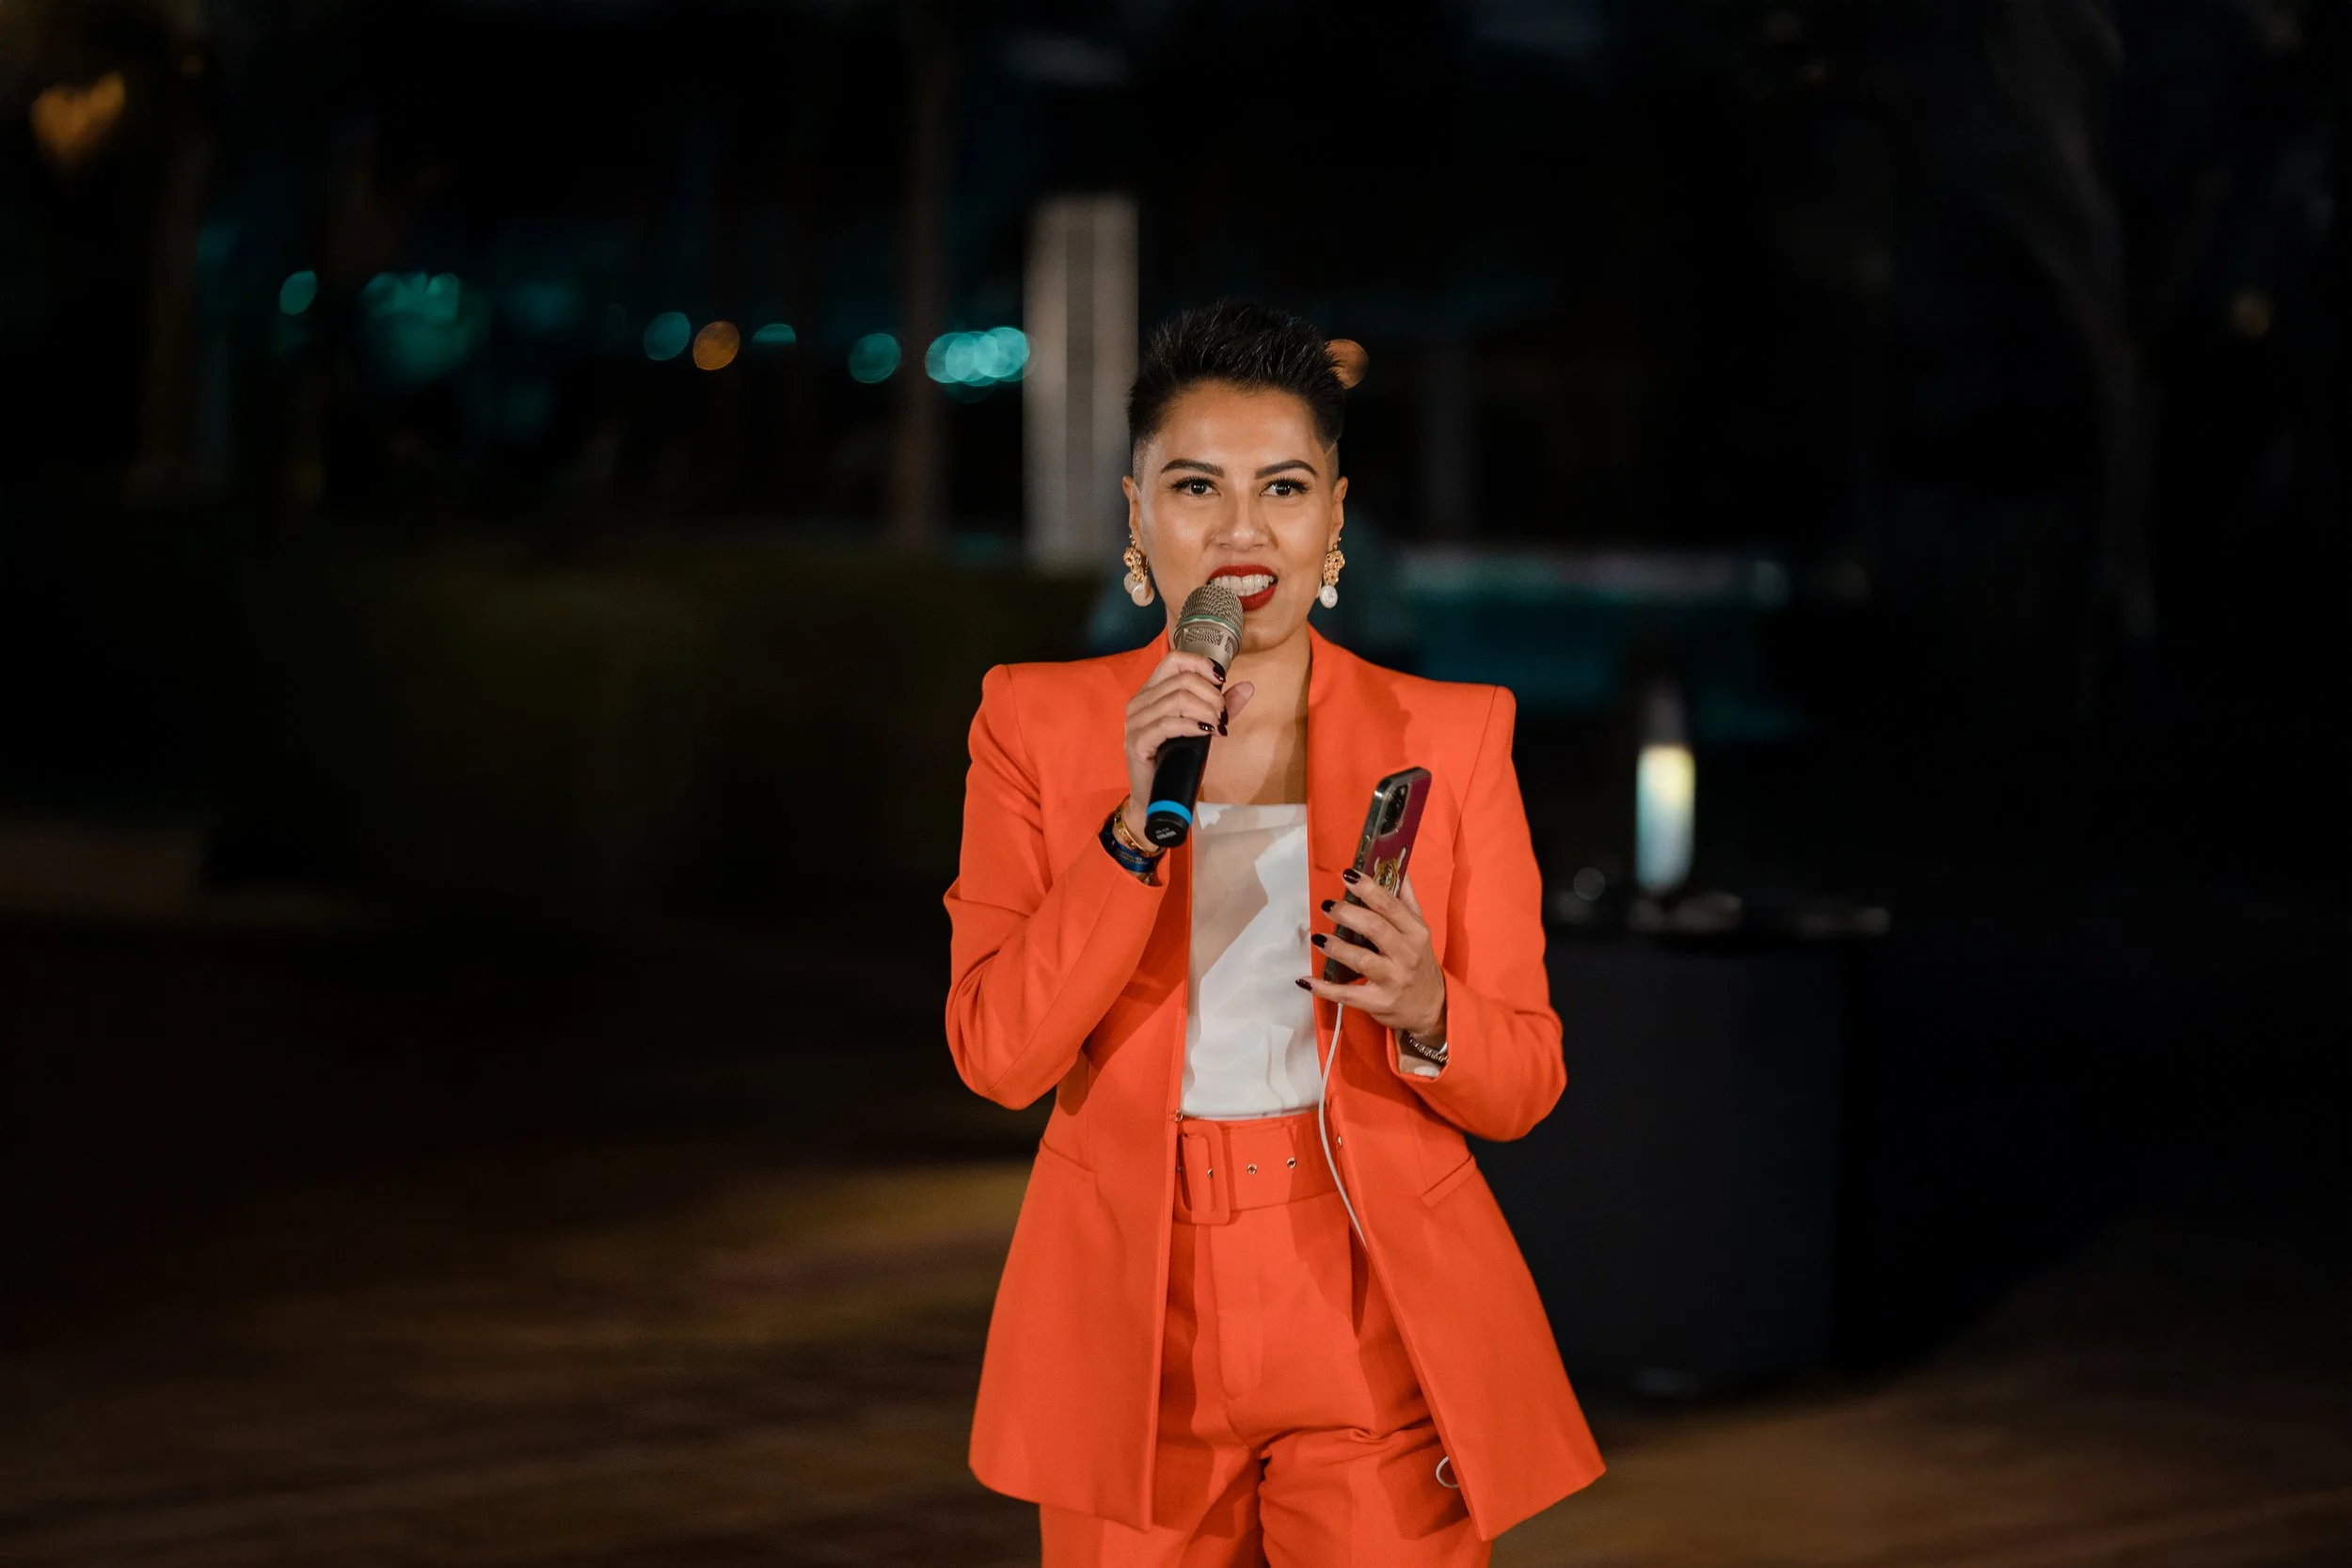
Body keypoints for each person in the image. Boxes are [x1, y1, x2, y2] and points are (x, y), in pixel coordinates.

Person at [945, 300, 1602, 1565]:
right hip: (1135, 1321)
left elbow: (1524, 1080)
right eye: (1197, 486)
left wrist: (1430, 1008)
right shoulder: (1035, 725)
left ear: (1336, 518)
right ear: (1137, 514)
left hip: (1371, 1303)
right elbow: (999, 1054)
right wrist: (1130, 835)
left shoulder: (1451, 737)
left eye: (1283, 488)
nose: (1243, 533)